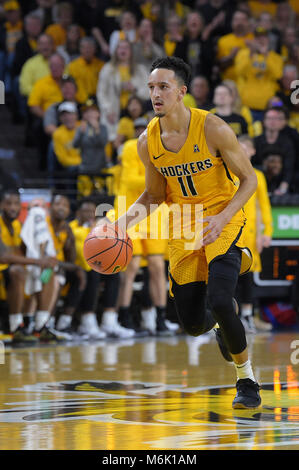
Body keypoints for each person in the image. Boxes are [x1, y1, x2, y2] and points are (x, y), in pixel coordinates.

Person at [99, 56, 261, 409]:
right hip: (184, 222)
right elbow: (156, 195)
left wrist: (223, 218)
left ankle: (246, 379)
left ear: (182, 92)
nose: (155, 94)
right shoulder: (148, 141)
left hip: (222, 214)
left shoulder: (213, 127)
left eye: (163, 87)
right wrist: (119, 225)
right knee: (190, 323)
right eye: (151, 88)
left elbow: (250, 180)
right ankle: (226, 309)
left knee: (219, 300)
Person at [115, 117, 172, 336]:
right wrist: (159, 177)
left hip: (155, 213)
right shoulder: (130, 147)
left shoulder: (164, 147)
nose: (143, 132)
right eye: (139, 128)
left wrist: (157, 179)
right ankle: (123, 317)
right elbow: (130, 180)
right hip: (130, 210)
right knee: (131, 267)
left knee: (158, 267)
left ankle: (159, 318)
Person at [68, 198, 134, 339]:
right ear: (78, 212)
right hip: (77, 268)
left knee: (115, 274)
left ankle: (109, 321)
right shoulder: (72, 227)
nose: (90, 214)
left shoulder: (99, 227)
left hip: (95, 267)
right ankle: (87, 321)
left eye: (92, 211)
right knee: (93, 275)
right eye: (86, 211)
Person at [0, 189, 57, 343]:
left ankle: (40, 326)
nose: (12, 207)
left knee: (47, 272)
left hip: (14, 279)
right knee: (18, 270)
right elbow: (3, 257)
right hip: (6, 276)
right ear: (1, 205)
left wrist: (46, 258)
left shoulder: (20, 226)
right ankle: (15, 327)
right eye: (8, 203)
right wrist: (39, 262)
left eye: (16, 204)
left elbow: (27, 253)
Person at [237, 135, 273, 333]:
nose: (240, 151)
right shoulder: (228, 171)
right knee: (230, 276)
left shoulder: (258, 176)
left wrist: (266, 232)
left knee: (248, 278)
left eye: (244, 148)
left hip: (250, 233)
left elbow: (263, 207)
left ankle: (248, 316)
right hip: (231, 231)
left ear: (252, 151)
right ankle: (231, 319)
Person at [96, 39, 149, 143]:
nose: (123, 50)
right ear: (116, 51)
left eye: (126, 48)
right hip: (114, 111)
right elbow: (101, 92)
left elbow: (149, 91)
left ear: (131, 52)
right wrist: (107, 110)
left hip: (136, 112)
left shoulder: (140, 69)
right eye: (120, 47)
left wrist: (134, 89)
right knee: (114, 141)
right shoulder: (107, 69)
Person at [234, 26, 284, 121]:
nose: (261, 40)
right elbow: (239, 72)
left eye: (264, 37)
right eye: (257, 38)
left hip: (268, 107)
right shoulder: (243, 54)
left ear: (268, 40)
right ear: (253, 39)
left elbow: (278, 75)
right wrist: (251, 54)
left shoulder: (275, 57)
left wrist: (266, 55)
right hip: (246, 106)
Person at [253, 107, 295, 195]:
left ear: (281, 123)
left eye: (276, 119)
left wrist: (283, 188)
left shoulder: (288, 143)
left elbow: (289, 168)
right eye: (269, 118)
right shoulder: (256, 142)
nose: (273, 121)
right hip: (258, 183)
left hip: (282, 184)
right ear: (264, 121)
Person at [216, 9, 254, 82]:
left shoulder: (254, 39)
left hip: (249, 84)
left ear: (248, 23)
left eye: (243, 20)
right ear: (232, 22)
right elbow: (219, 66)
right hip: (229, 83)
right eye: (236, 19)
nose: (239, 22)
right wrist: (231, 56)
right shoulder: (223, 41)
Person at [67, 37, 105, 101]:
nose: (87, 50)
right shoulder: (73, 66)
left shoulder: (102, 65)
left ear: (95, 49)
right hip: (80, 101)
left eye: (90, 47)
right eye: (84, 48)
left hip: (99, 99)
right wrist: (85, 100)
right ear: (80, 49)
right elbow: (72, 87)